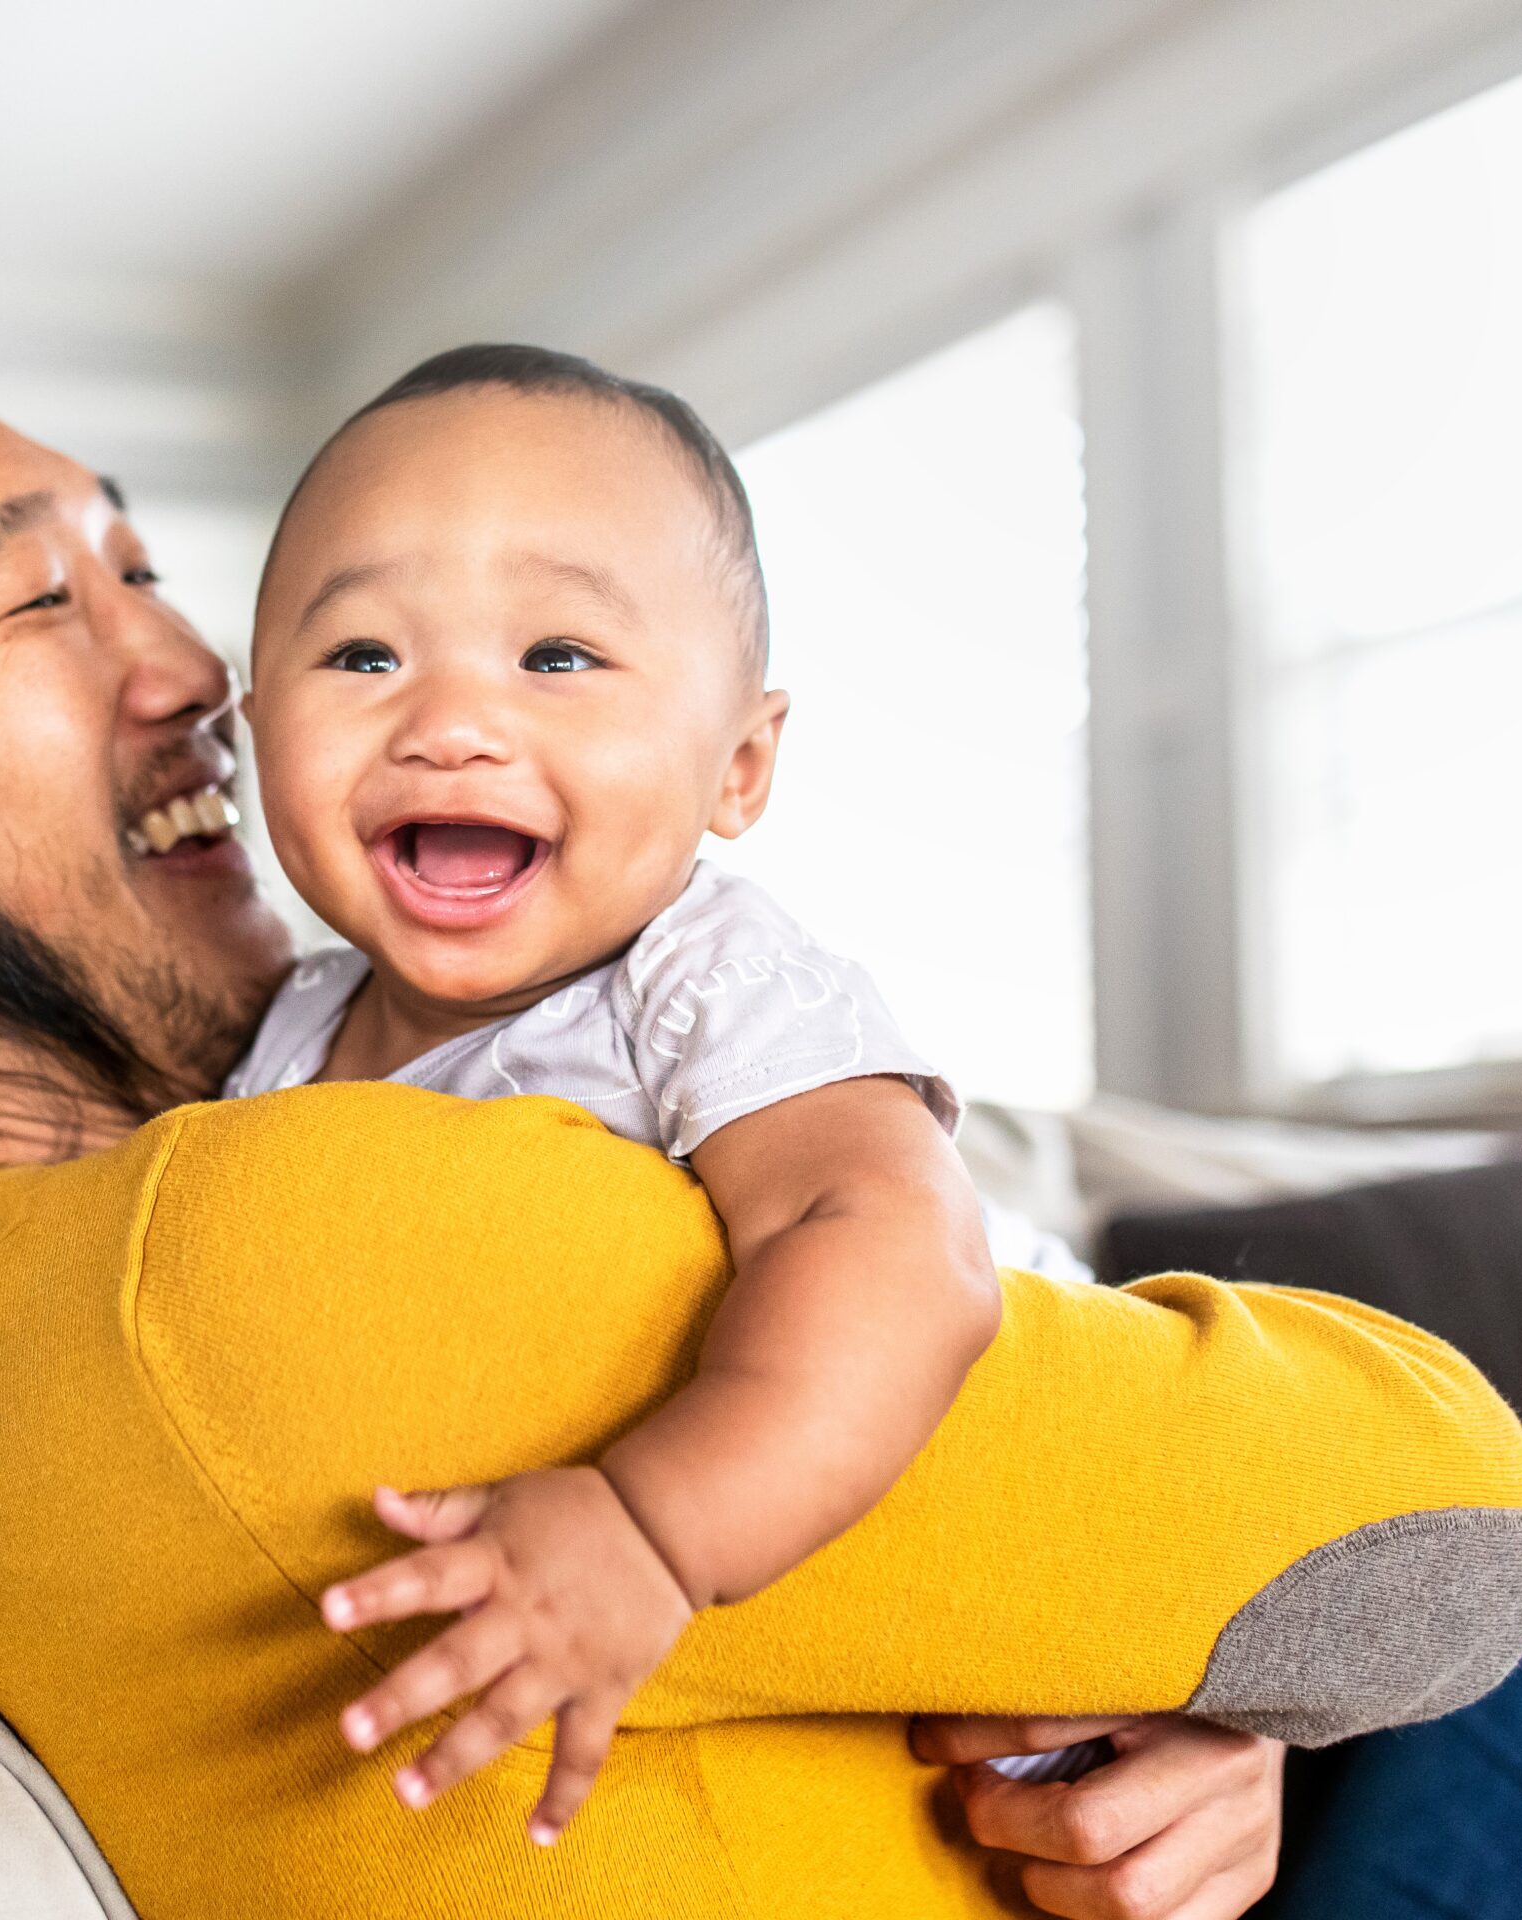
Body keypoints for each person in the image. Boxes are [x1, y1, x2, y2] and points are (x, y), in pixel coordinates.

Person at [0, 312, 1522, 1919]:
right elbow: (1442, 1520)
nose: (189, 669)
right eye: (31, 602)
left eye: (149, 565)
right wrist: (1250, 1664)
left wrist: (1186, 1712)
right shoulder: (283, 1260)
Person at [228, 343, 1003, 1840]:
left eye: (560, 657)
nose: (448, 722)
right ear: (260, 730)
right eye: (362, 657)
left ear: (740, 764)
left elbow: (900, 1242)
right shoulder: (282, 1041)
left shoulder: (701, 976)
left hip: (1030, 1568)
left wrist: (654, 1528)